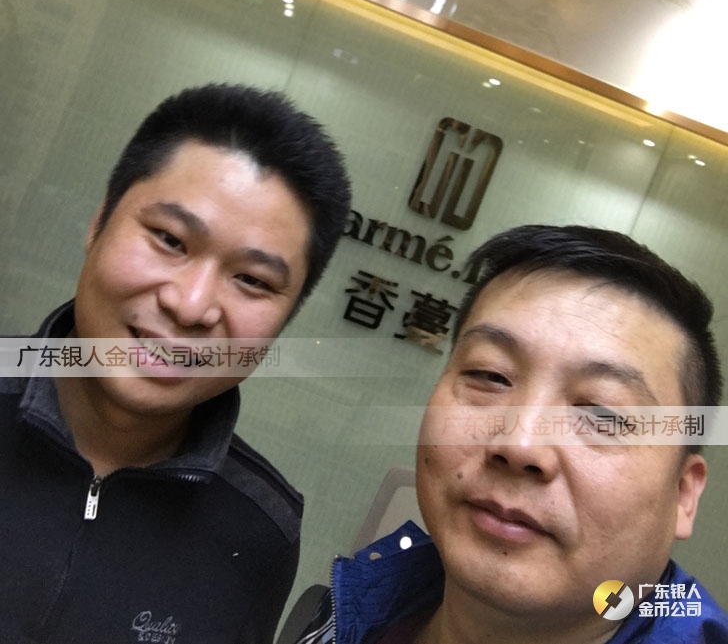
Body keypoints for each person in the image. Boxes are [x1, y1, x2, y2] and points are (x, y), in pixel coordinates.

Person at [0, 84, 351, 644]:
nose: (190, 305)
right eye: (169, 239)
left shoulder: (259, 529)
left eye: (252, 280)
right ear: (99, 223)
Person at [294, 225, 728, 644]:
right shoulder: (352, 611)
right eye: (490, 375)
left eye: (602, 412)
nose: (519, 444)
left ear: (682, 495)